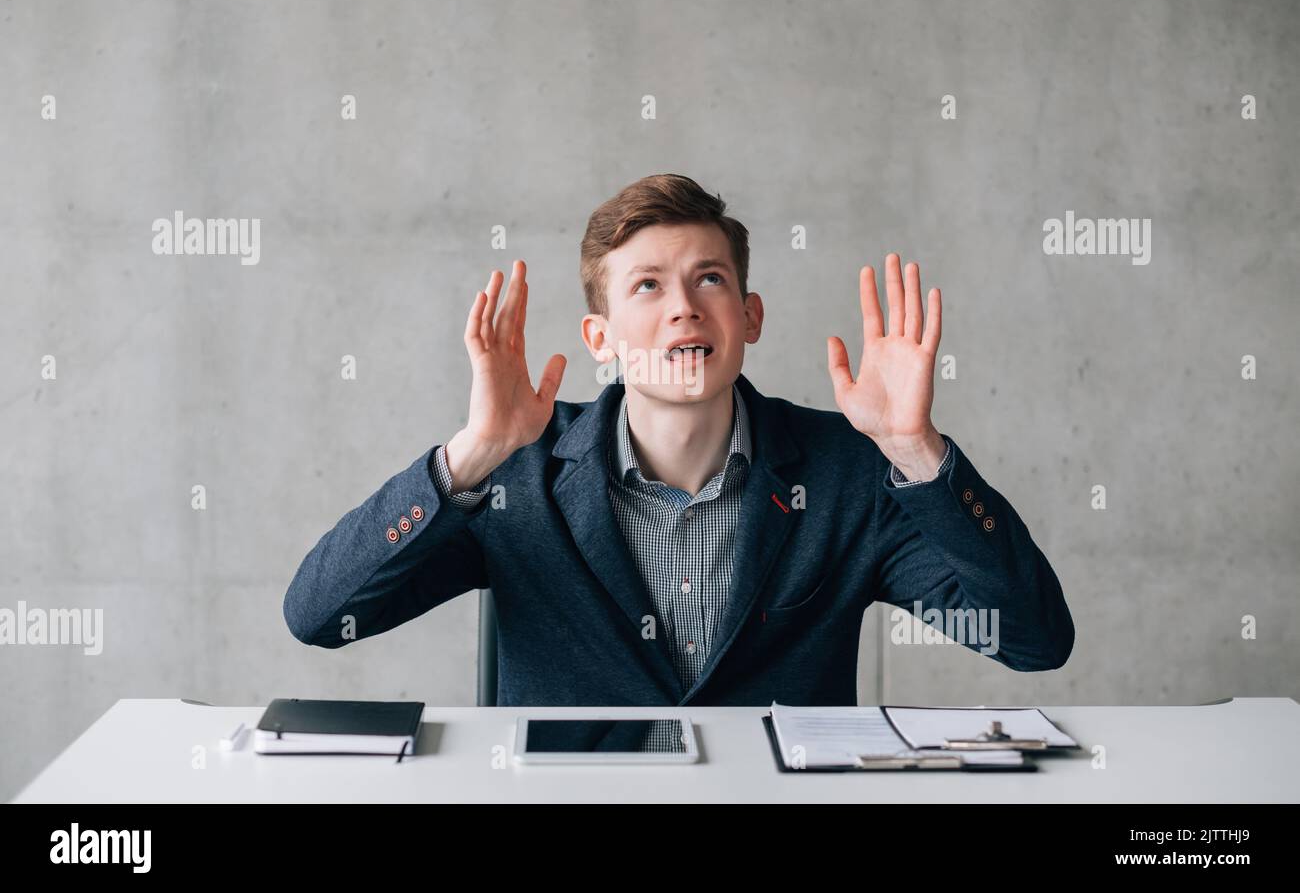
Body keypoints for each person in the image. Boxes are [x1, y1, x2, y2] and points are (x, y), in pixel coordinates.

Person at [283, 174, 1074, 728]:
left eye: (710, 281)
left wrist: (920, 454)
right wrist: (470, 455)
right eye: (648, 287)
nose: (684, 310)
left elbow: (1035, 642)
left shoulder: (848, 473)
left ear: (750, 315)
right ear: (601, 337)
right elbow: (319, 615)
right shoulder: (515, 472)